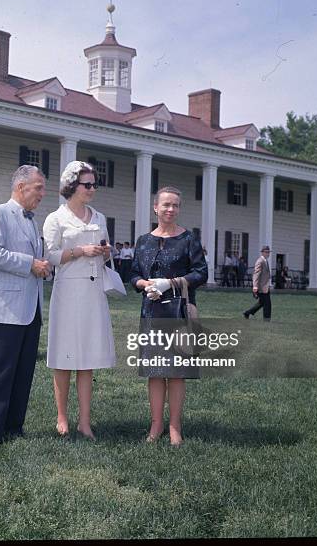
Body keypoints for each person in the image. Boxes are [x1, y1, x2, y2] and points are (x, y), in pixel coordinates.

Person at [130, 186, 208, 446]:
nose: (170, 209)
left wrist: (170, 283)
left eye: (175, 205)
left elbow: (201, 274)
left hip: (178, 312)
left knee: (175, 372)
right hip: (151, 311)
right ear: (155, 208)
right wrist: (145, 285)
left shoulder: (188, 239)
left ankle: (175, 426)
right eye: (166, 205)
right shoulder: (143, 241)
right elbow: (132, 274)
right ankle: (156, 425)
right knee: (154, 372)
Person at [43, 161, 115, 440]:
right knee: (64, 357)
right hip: (68, 291)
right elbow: (50, 256)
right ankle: (62, 417)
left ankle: (85, 422)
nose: (92, 189)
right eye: (88, 185)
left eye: (94, 184)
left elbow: (106, 250)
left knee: (88, 359)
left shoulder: (99, 217)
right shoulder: (56, 218)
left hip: (93, 291)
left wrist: (103, 252)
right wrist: (80, 251)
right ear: (72, 186)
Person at [0, 165, 49, 445]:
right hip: (4, 308)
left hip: (30, 309)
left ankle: (14, 428)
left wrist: (42, 267)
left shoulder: (31, 221)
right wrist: (30, 264)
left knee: (23, 372)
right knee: (0, 372)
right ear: (21, 187)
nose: (43, 193)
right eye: (38, 187)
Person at [243, 245, 272, 320]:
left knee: (261, 303)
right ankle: (267, 319)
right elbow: (256, 274)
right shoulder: (260, 261)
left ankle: (247, 313)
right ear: (262, 252)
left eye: (268, 252)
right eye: (266, 252)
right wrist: (255, 286)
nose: (268, 254)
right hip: (261, 287)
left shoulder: (265, 261)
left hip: (265, 287)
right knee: (267, 303)